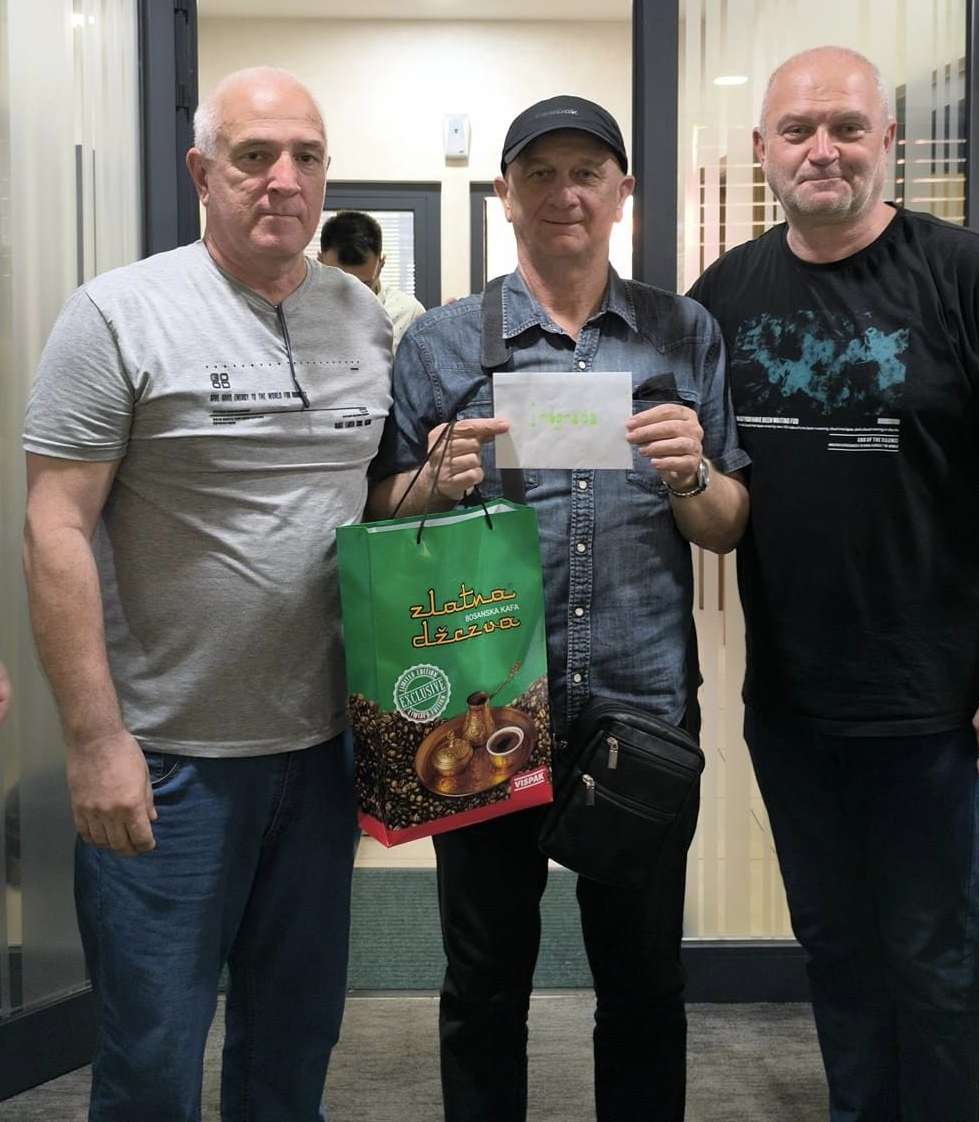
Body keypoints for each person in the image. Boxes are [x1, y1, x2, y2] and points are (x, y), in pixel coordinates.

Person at [688, 46, 979, 1122]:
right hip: (791, 703)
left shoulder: (972, 278)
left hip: (938, 706)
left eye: (848, 128)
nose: (823, 149)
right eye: (799, 130)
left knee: (937, 962)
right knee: (838, 953)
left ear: (889, 143)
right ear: (764, 150)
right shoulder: (723, 297)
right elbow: (712, 501)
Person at [368, 95, 749, 1122]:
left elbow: (725, 527)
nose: (564, 193)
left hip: (639, 705)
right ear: (505, 194)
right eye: (539, 173)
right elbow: (381, 514)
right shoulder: (441, 343)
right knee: (483, 981)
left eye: (587, 172)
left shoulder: (684, 333)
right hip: (484, 706)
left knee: (644, 984)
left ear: (623, 193)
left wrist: (692, 472)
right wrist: (430, 483)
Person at [22, 67, 392, 1121]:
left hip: (321, 755)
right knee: (151, 1060)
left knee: (293, 1046)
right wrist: (95, 740)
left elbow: (361, 500)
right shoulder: (118, 314)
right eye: (254, 156)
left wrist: (437, 484)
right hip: (168, 761)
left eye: (306, 157)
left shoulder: (361, 319)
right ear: (201, 172)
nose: (283, 180)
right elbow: (54, 528)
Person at [318, 209, 424, 349]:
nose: (351, 295)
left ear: (380, 264)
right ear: (320, 261)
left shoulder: (409, 314)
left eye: (364, 284)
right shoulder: (301, 311)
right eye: (340, 282)